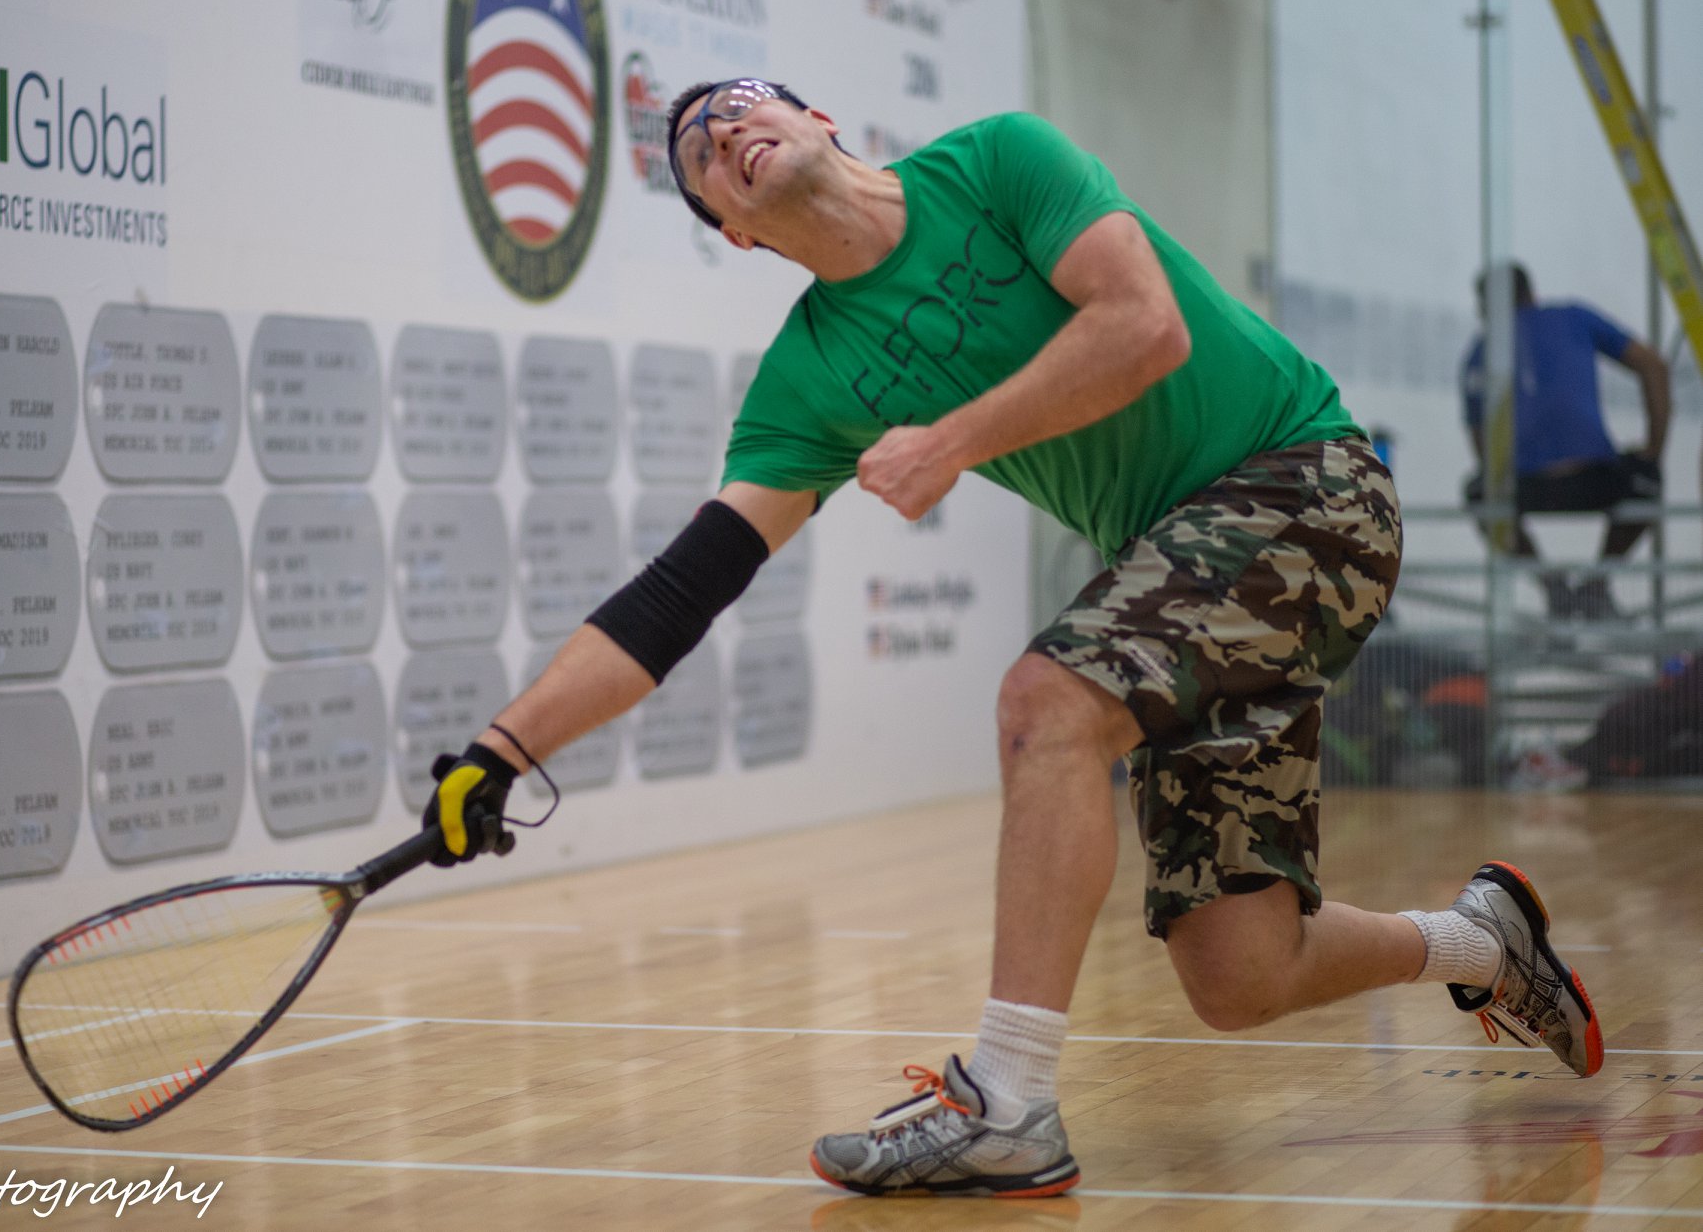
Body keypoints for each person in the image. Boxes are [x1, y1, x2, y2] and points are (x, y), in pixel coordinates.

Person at [421, 81, 1603, 1198]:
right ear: (734, 228)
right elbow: (681, 590)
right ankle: (1477, 942)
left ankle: (1007, 1102)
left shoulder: (998, 162)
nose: (722, 133)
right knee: (1241, 972)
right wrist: (502, 751)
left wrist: (949, 441)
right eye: (698, 154)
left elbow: (1144, 325)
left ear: (814, 116)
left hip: (1309, 484)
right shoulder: (814, 373)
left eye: (737, 106)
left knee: (1047, 701)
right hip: (1190, 563)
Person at [1461, 262, 1672, 621]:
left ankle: (1555, 590)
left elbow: (1481, 439)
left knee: (1481, 495)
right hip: (1594, 479)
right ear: (1531, 293)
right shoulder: (1573, 318)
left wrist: (1500, 474)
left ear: (1487, 308)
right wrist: (1653, 450)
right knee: (1647, 481)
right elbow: (1654, 366)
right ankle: (1595, 586)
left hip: (1527, 486)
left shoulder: (1482, 348)